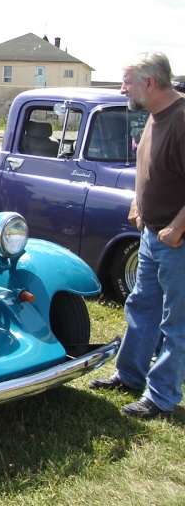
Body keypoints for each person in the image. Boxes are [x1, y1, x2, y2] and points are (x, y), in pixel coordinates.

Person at [89, 52, 185, 419]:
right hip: (153, 235)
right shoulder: (154, 117)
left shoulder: (181, 119)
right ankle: (130, 375)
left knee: (176, 321)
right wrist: (137, 202)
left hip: (177, 240)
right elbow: (149, 168)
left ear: (149, 83)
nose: (122, 88)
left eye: (127, 82)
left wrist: (177, 227)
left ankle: (162, 397)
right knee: (141, 305)